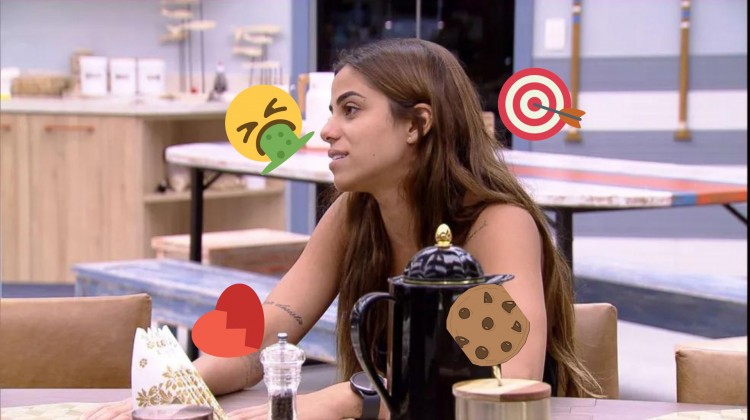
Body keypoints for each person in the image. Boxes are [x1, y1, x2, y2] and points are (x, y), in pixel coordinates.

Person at [83, 38, 601, 420]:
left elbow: (506, 379)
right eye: (332, 111)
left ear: (417, 124)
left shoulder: (493, 222)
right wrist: (183, 384)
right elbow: (272, 327)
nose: (327, 130)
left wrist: (347, 398)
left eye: (350, 110)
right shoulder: (356, 213)